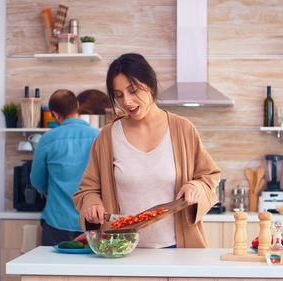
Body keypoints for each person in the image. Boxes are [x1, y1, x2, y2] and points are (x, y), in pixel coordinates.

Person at [72, 53, 221, 248]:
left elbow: (209, 177)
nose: (126, 101)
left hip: (177, 246)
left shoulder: (183, 129)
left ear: (150, 85)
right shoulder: (108, 137)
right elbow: (88, 189)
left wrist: (195, 186)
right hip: (122, 249)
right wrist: (91, 203)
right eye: (118, 95)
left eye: (133, 91)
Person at [30, 89, 99, 246]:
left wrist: (50, 192)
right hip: (92, 222)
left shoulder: (48, 139)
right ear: (77, 105)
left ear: (54, 113)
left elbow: (37, 180)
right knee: (90, 270)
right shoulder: (99, 136)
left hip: (57, 222)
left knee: (55, 270)